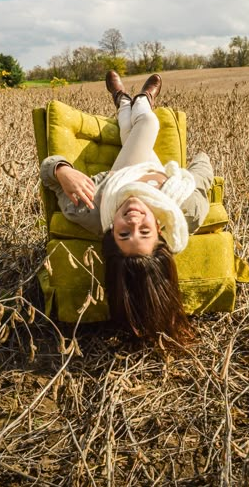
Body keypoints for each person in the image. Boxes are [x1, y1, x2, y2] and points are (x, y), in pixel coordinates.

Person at [40, 71, 214, 344]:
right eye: (144, 232)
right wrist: (189, 167)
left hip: (118, 178)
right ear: (160, 230)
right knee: (139, 128)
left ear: (110, 234)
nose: (133, 221)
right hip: (158, 171)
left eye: (124, 234)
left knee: (144, 126)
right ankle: (136, 100)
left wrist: (63, 170)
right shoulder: (186, 209)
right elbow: (203, 172)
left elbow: (48, 173)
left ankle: (128, 100)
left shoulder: (89, 209)